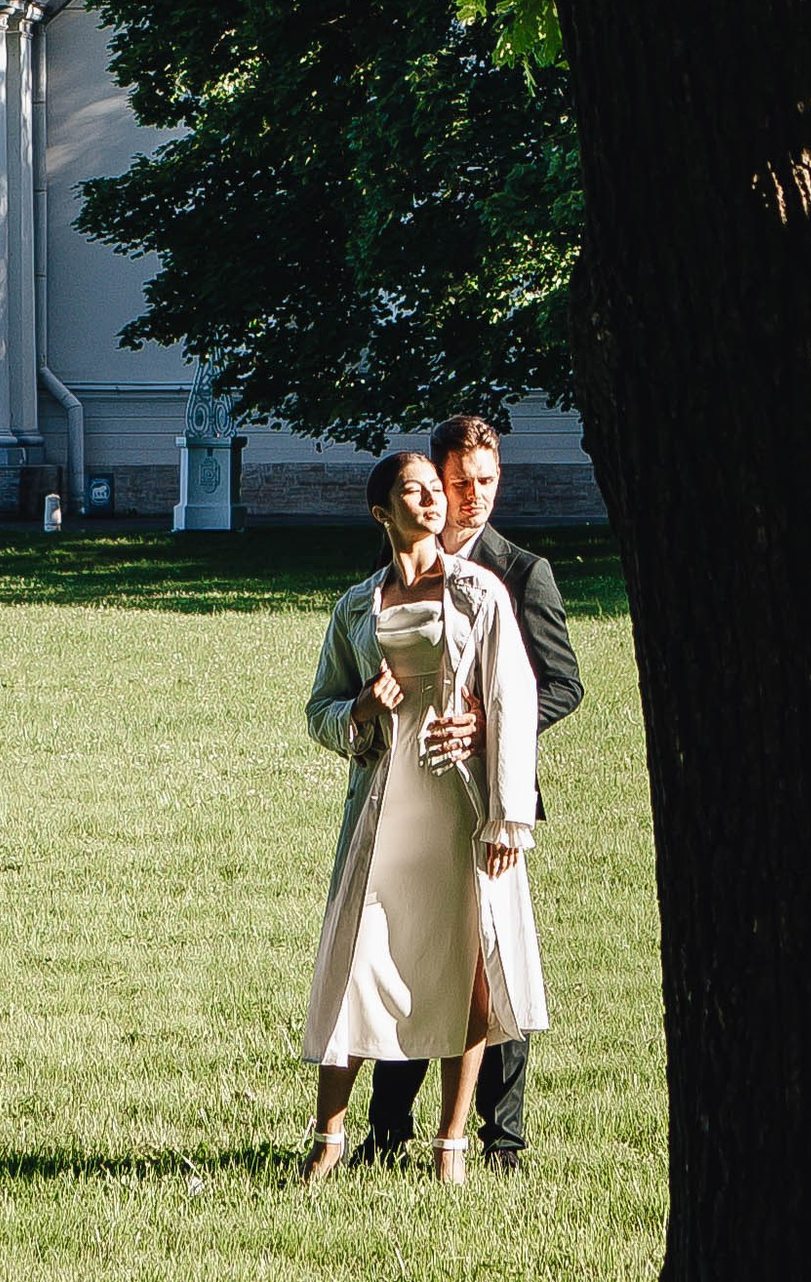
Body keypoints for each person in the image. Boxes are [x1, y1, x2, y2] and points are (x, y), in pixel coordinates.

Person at [301, 446, 547, 1185]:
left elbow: (513, 698)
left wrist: (507, 818)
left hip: (458, 803)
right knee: (357, 962)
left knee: (465, 966)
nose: (434, 499)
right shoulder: (354, 606)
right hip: (382, 806)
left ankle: (451, 1146)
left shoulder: (480, 593)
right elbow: (319, 709)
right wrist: (361, 710)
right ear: (384, 512)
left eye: (434, 489)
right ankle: (328, 1138)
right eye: (414, 491)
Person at [361, 411, 584, 1169]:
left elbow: (562, 685)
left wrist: (489, 724)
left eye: (488, 481)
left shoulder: (522, 572)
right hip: (412, 795)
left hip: (493, 798)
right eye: (461, 482)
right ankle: (386, 1132)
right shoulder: (400, 572)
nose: (475, 496)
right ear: (436, 479)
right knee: (409, 956)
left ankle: (503, 1141)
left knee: (494, 963)